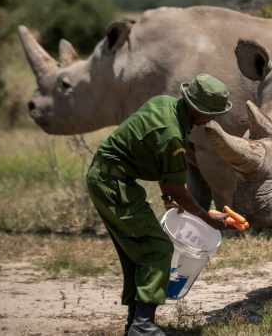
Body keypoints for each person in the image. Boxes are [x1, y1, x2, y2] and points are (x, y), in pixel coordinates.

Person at [86, 74, 234, 336]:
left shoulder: (166, 103)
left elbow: (158, 164)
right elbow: (176, 185)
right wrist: (206, 218)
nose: (213, 119)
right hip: (113, 184)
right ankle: (143, 327)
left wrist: (170, 195)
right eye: (212, 114)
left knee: (137, 252)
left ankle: (136, 322)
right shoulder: (173, 137)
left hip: (111, 178)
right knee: (156, 249)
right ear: (199, 110)